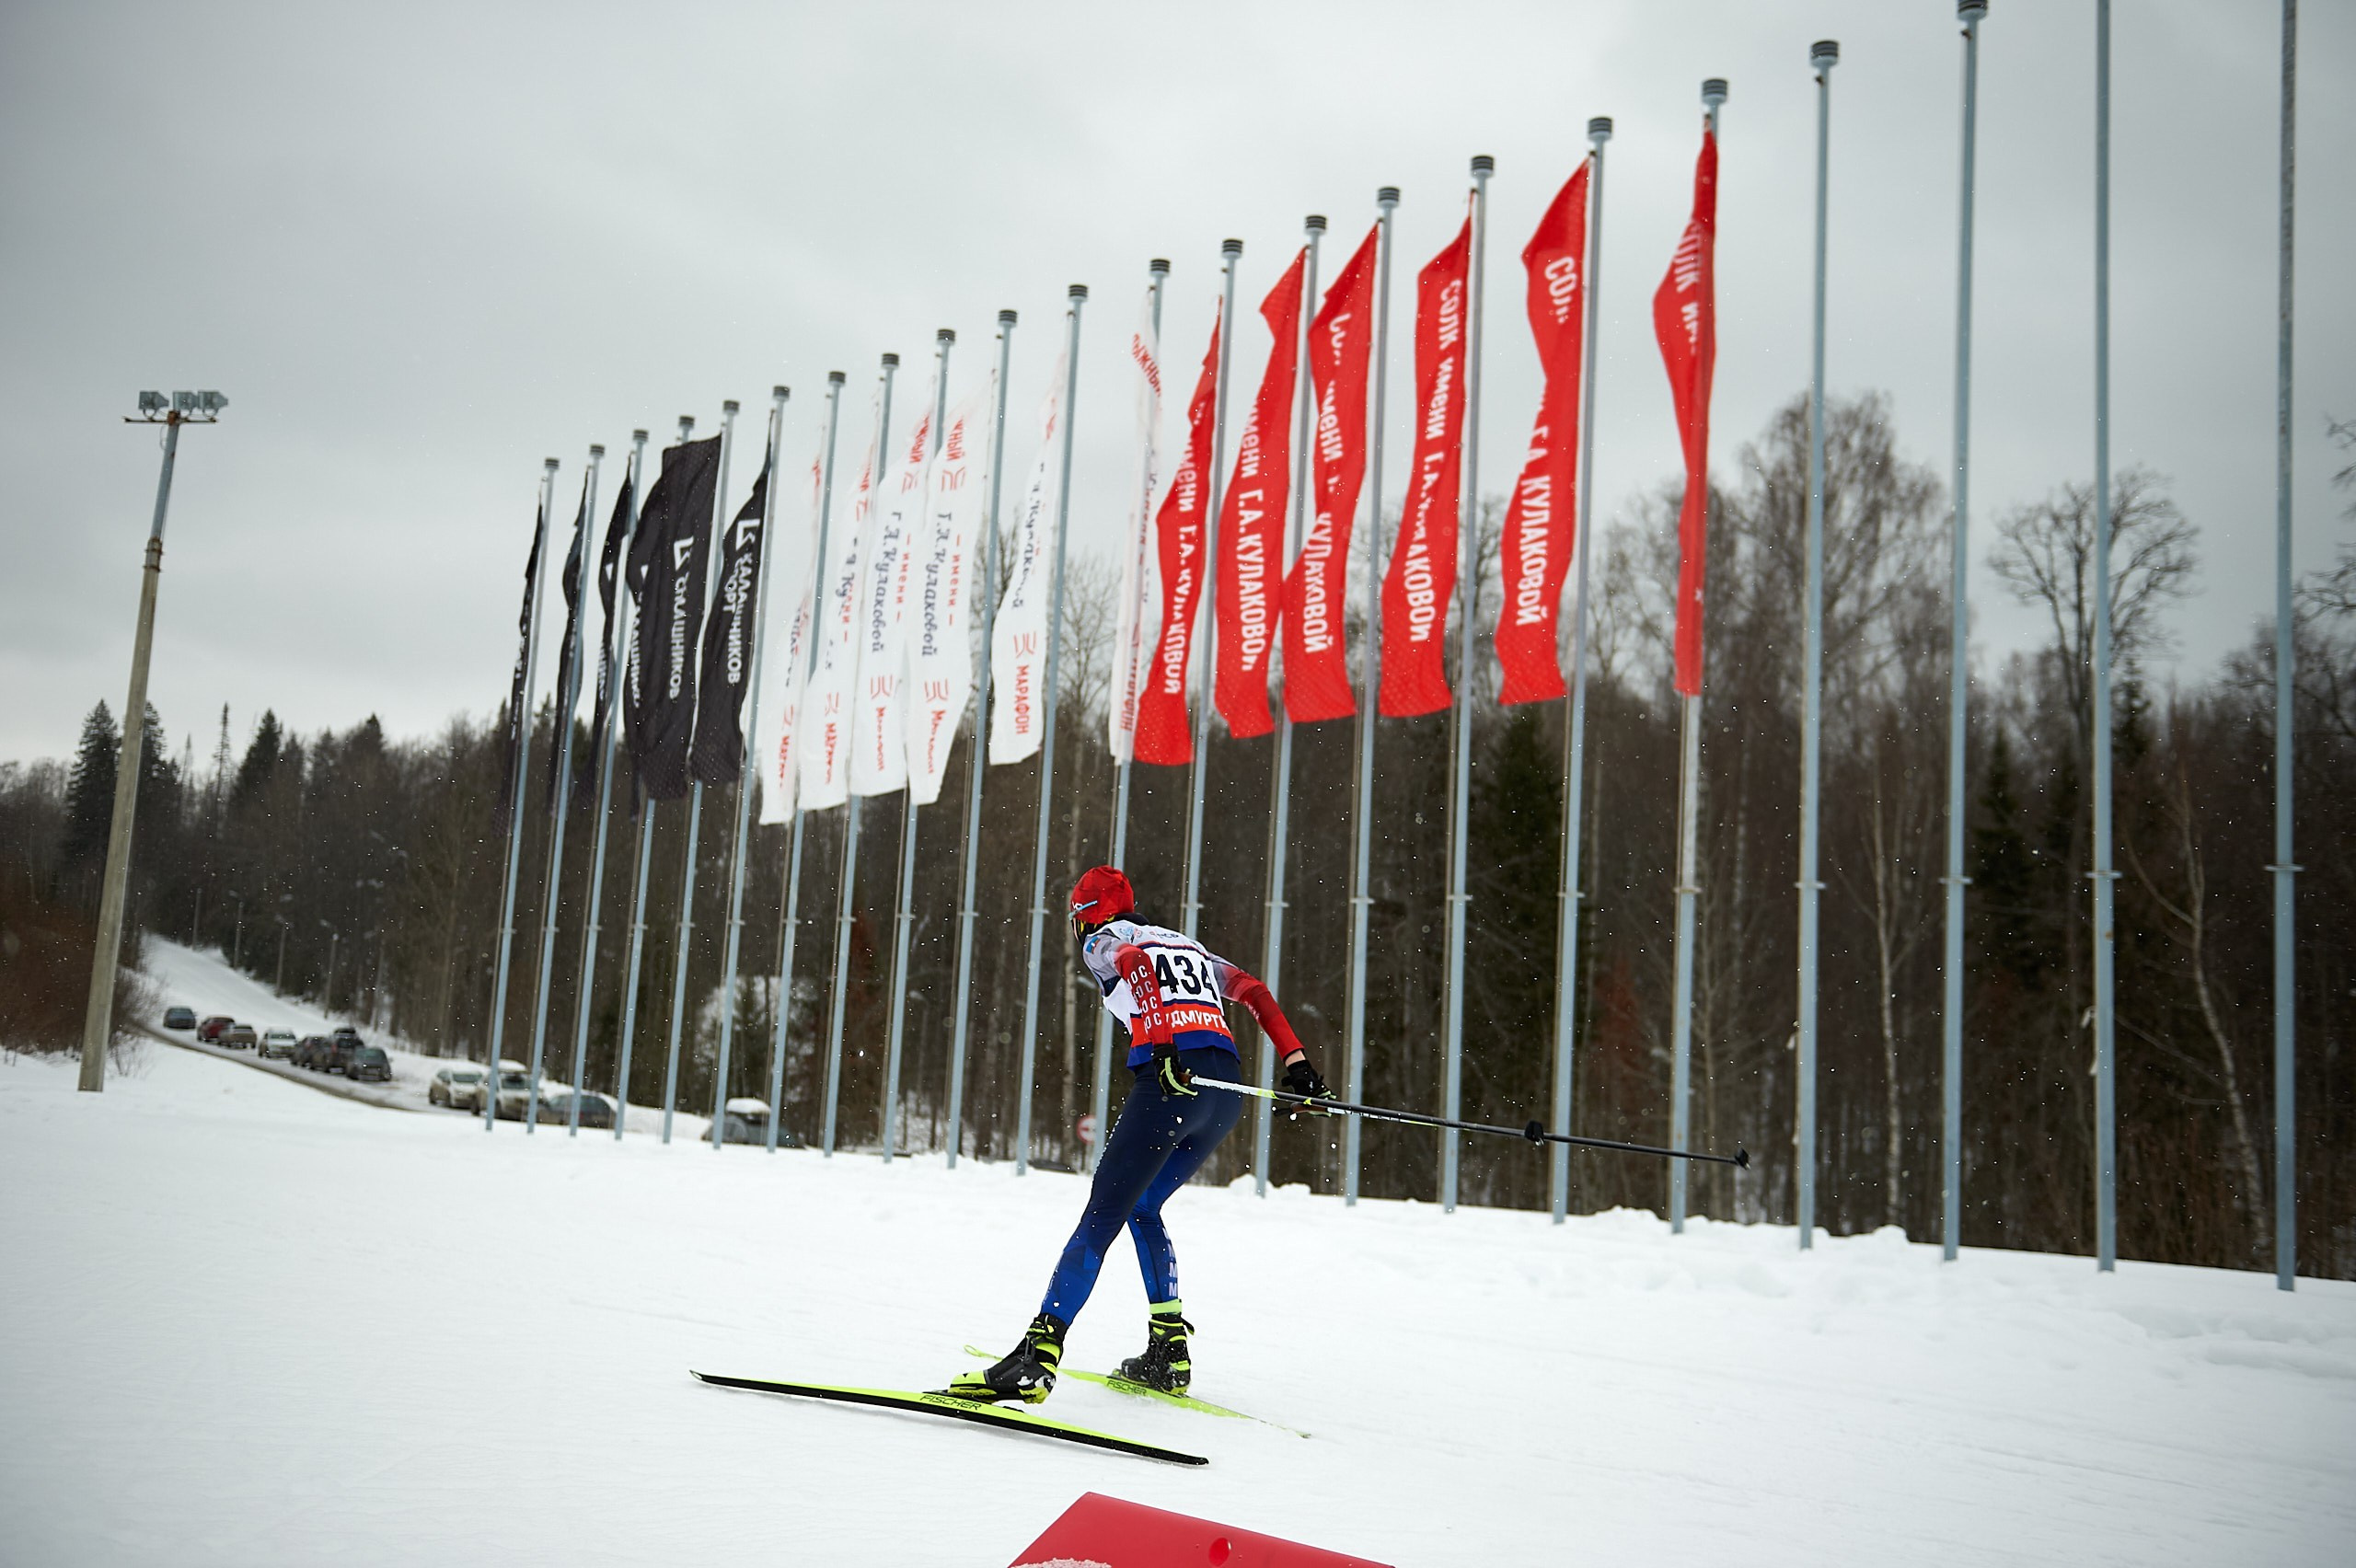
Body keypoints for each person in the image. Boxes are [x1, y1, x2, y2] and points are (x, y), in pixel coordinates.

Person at [948, 865, 1333, 1405]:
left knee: (1101, 1215)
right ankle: (1168, 1351)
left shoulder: (1106, 940)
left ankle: (1037, 1358)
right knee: (1144, 1205)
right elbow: (1254, 990)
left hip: (1173, 1080)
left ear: (1088, 915)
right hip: (1223, 1089)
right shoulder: (1187, 945)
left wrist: (1161, 1045)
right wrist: (1299, 1068)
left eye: (1076, 918)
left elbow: (1132, 966)